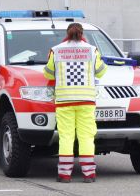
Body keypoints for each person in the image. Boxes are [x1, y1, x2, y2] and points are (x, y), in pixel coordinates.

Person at [43, 23, 108, 183]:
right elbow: (101, 71)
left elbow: (48, 73)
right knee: (86, 136)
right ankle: (89, 174)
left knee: (66, 137)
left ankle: (64, 174)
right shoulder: (92, 50)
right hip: (86, 100)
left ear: (67, 33)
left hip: (64, 100)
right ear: (82, 33)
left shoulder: (56, 50)